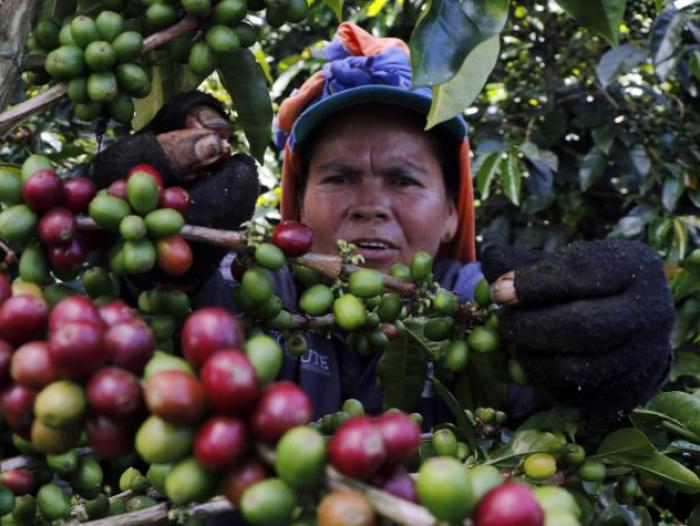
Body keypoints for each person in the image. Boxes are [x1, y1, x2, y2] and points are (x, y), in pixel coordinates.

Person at [194, 22, 674, 424]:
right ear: (296, 206)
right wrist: (160, 276)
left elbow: (568, 406)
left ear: (451, 213)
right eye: (340, 177)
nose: (370, 205)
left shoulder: (476, 310)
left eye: (403, 180)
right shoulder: (251, 282)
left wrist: (620, 361)